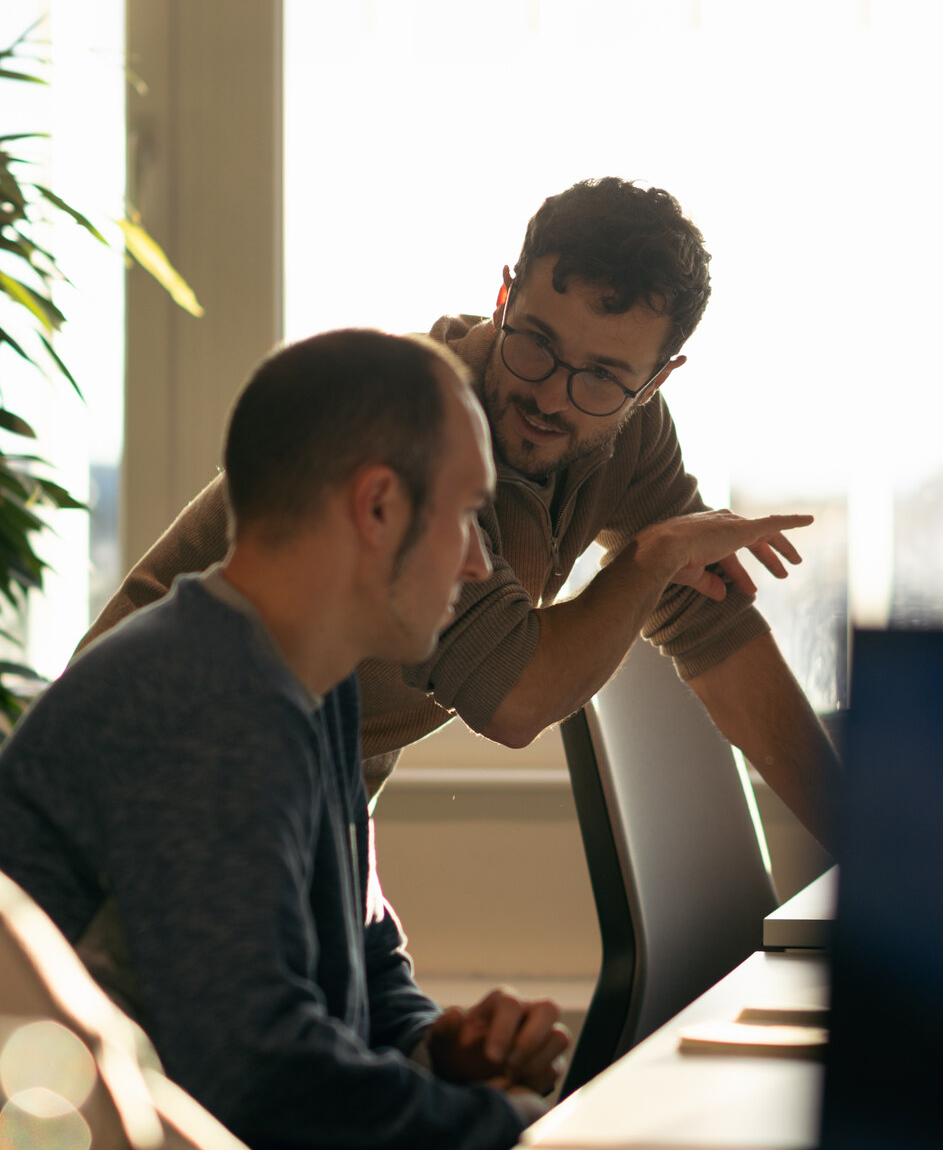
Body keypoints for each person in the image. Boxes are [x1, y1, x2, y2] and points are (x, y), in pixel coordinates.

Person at [85, 177, 841, 844]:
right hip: (155, 780)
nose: (551, 396)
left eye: (604, 377)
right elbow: (515, 698)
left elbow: (712, 625)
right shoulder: (411, 429)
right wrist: (649, 560)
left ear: (656, 383)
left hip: (307, 808)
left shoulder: (631, 433)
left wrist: (871, 863)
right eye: (537, 343)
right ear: (504, 296)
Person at [0, 331, 565, 1150]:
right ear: (378, 506)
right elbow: (254, 1081)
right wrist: (519, 1129)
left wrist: (436, 1046)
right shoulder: (203, 700)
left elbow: (365, 963)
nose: (479, 565)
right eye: (464, 517)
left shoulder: (312, 688)